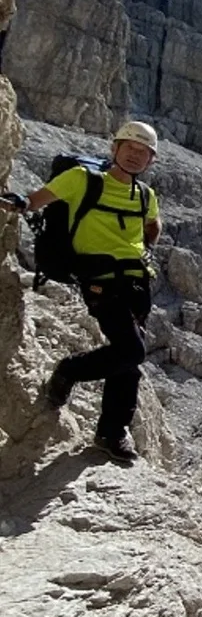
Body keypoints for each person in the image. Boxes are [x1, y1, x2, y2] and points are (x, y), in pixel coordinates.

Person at [3, 121, 161, 462]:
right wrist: (19, 202)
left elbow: (152, 226)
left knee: (128, 361)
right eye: (130, 148)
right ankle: (69, 371)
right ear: (114, 148)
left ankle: (111, 433)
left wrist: (142, 244)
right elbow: (35, 201)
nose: (135, 156)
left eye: (143, 152)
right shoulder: (82, 180)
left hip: (137, 283)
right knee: (132, 351)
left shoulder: (146, 195)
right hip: (100, 281)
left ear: (151, 160)